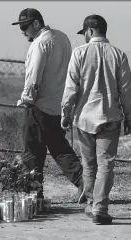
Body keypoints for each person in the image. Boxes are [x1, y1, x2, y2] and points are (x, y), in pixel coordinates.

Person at [61, 14, 131, 225]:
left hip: (83, 118)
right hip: (109, 117)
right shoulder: (119, 55)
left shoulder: (79, 53)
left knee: (89, 164)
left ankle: (93, 204)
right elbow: (126, 91)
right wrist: (129, 116)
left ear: (90, 32)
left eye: (84, 33)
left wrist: (65, 113)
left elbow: (71, 88)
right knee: (106, 164)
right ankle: (100, 207)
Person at [11, 8, 86, 203]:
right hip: (57, 104)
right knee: (59, 147)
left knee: (32, 152)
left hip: (38, 105)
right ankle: (83, 182)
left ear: (36, 24)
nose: (23, 31)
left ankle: (34, 192)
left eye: (25, 27)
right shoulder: (62, 38)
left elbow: (34, 77)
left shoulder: (39, 44)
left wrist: (27, 99)